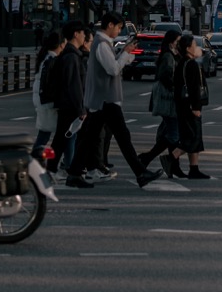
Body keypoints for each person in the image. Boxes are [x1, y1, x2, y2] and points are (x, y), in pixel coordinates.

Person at [71, 11, 161, 190]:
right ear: (110, 25)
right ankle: (140, 172)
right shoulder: (102, 44)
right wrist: (125, 54)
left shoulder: (102, 43)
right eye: (118, 27)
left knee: (91, 137)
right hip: (106, 99)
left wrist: (125, 54)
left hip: (102, 99)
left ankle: (74, 173)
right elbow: (112, 69)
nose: (119, 30)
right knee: (121, 137)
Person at [142, 30, 185, 177]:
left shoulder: (173, 54)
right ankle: (151, 158)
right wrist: (176, 89)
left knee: (169, 134)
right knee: (174, 134)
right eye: (178, 40)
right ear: (172, 42)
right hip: (168, 99)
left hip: (169, 98)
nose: (180, 43)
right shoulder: (168, 56)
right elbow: (166, 76)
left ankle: (171, 166)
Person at [48, 20, 87, 179]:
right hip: (69, 105)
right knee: (61, 140)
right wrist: (80, 108)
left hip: (67, 104)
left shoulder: (70, 55)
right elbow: (74, 85)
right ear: (76, 34)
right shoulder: (71, 57)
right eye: (83, 33)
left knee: (61, 140)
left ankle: (52, 168)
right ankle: (53, 169)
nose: (84, 36)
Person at [167, 32, 209, 180]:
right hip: (189, 106)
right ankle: (171, 158)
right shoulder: (190, 64)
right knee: (192, 137)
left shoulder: (183, 63)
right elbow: (194, 88)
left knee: (193, 137)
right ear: (188, 48)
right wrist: (196, 107)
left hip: (183, 105)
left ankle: (194, 168)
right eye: (195, 45)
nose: (197, 48)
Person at [31, 30, 63, 159]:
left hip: (43, 101)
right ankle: (34, 160)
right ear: (60, 44)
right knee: (47, 134)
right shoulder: (52, 59)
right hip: (48, 102)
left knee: (45, 133)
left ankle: (35, 159)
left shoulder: (45, 57)